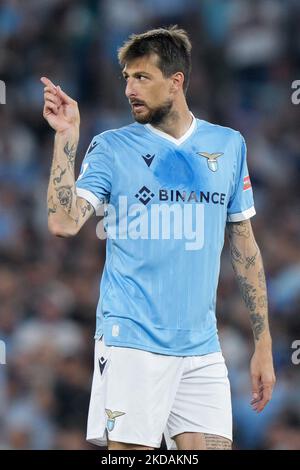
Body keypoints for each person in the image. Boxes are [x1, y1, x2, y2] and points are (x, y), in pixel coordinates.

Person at [41, 26, 276, 451]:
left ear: (176, 80)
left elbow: (244, 245)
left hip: (201, 345)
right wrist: (66, 139)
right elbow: (64, 221)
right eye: (126, 78)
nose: (130, 88)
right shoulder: (111, 147)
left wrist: (263, 344)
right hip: (132, 338)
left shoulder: (227, 145)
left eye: (142, 77)